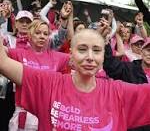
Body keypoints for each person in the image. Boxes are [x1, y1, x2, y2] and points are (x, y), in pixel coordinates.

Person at [1, 29, 150, 130]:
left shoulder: (119, 92)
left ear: (104, 56)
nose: (90, 57)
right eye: (82, 49)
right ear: (71, 55)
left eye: (97, 50)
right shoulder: (49, 83)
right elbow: (3, 62)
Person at [7, 19, 70, 130]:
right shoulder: (18, 53)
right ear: (30, 35)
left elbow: (78, 57)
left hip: (48, 115)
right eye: (38, 33)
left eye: (45, 34)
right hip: (25, 116)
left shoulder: (57, 57)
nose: (42, 36)